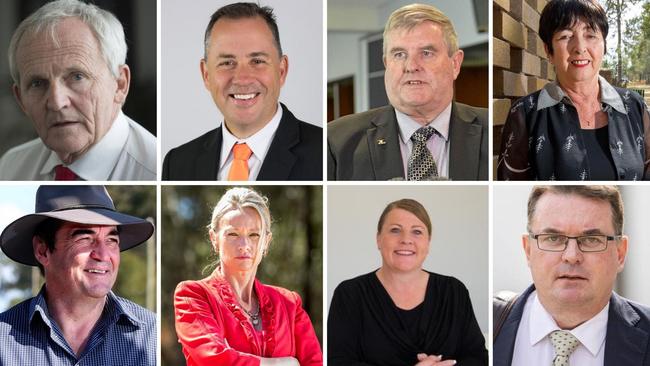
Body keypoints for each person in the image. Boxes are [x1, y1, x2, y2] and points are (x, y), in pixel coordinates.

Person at [327, 3, 488, 181]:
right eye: (399, 54)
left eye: (426, 53)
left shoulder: (495, 131)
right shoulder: (336, 142)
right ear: (386, 64)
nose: (411, 66)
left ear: (455, 63)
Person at [162, 2, 322, 181]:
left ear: (281, 70)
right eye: (227, 63)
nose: (242, 78)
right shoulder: (177, 163)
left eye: (257, 61)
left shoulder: (324, 153)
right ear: (206, 74)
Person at [493, 186, 650, 365]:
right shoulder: (492, 323)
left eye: (591, 240)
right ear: (528, 250)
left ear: (620, 253)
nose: (571, 256)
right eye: (553, 238)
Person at [0, 0, 156, 181]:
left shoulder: (157, 170)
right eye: (38, 84)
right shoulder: (9, 168)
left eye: (77, 77)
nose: (57, 103)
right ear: (21, 100)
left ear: (120, 84)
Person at [0, 185, 156, 365]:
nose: (103, 255)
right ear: (42, 250)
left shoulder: (150, 336)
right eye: (84, 239)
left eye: (111, 240)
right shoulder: (4, 343)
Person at [497, 0, 650, 180]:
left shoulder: (634, 106)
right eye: (565, 36)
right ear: (548, 50)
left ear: (604, 45)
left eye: (590, 35)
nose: (580, 48)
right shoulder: (525, 113)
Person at [328, 199, 487, 365]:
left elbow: (478, 357)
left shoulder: (454, 292)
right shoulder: (350, 294)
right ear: (378, 239)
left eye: (417, 232)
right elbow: (337, 362)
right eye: (395, 230)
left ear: (428, 242)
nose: (406, 240)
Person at [174, 187, 322, 365]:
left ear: (266, 241)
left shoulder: (289, 303)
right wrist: (282, 363)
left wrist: (235, 356)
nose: (244, 244)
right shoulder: (193, 295)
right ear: (214, 239)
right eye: (233, 234)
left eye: (254, 235)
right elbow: (214, 359)